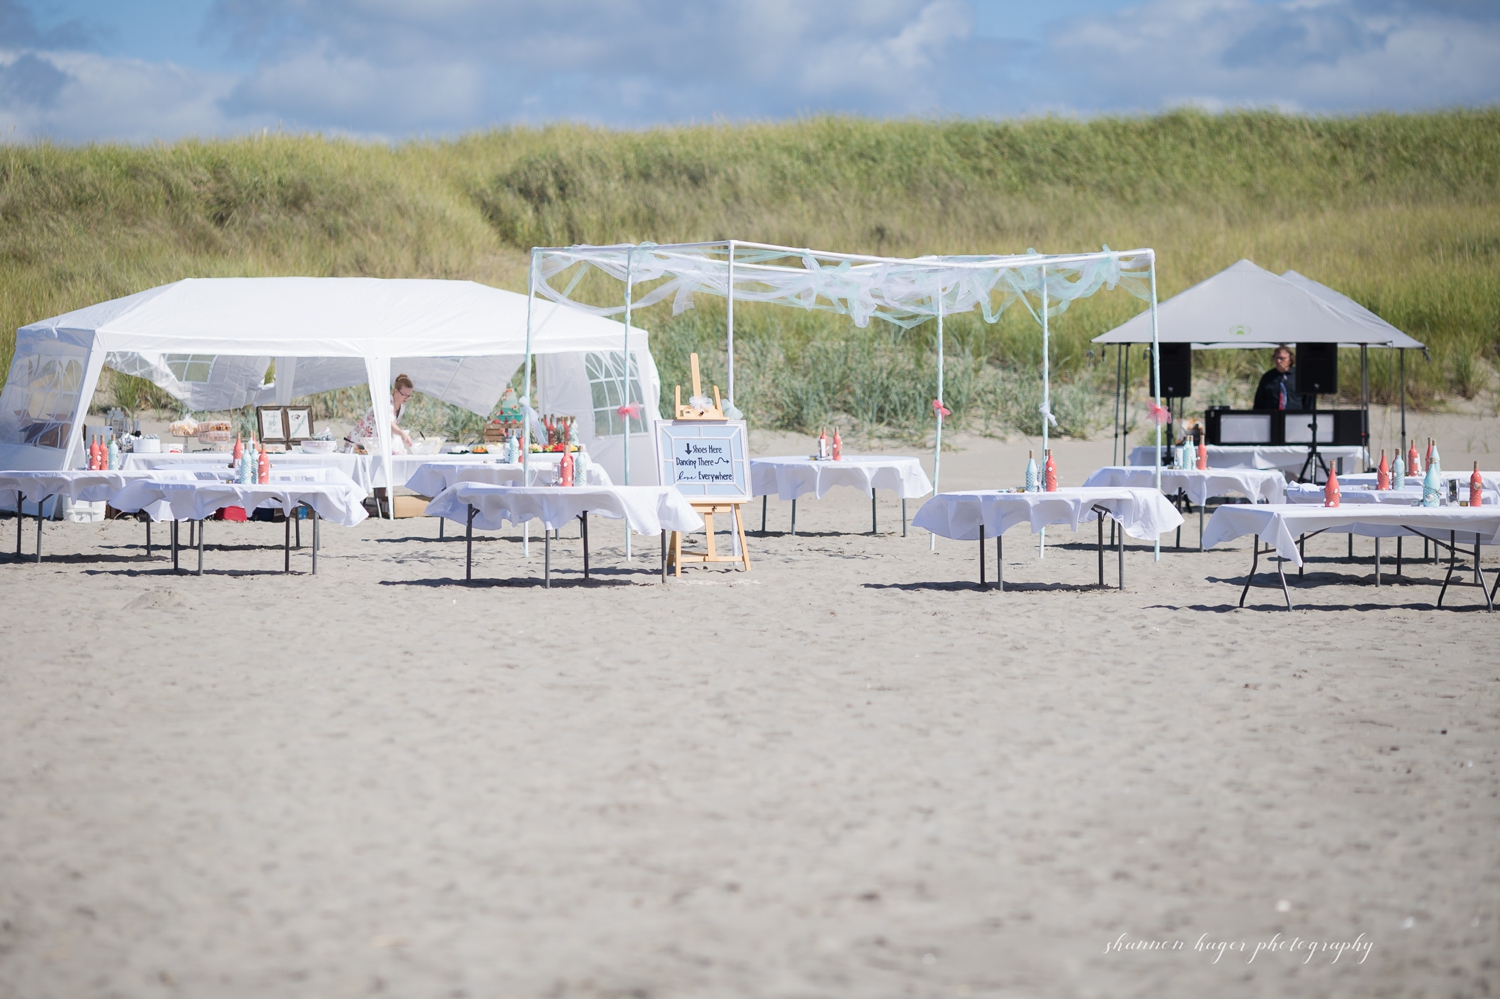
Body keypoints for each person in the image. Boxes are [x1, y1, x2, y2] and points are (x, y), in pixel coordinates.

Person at [349, 373, 415, 450]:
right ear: (396, 391)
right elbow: (387, 423)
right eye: (404, 394)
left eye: (409, 396)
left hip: (374, 444)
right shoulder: (385, 403)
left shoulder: (402, 406)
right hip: (359, 442)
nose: (406, 398)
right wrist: (402, 433)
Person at [1253, 345, 1312, 411]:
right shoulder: (1268, 377)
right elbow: (1259, 401)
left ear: (1290, 360)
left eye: (1282, 358)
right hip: (1273, 416)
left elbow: (1309, 401)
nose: (1278, 361)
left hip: (1295, 416)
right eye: (1276, 358)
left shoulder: (1299, 375)